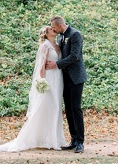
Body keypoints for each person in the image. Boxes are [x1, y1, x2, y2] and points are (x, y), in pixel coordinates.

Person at [0, 26, 65, 153]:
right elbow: (41, 66)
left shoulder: (58, 43)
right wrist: (42, 81)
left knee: (56, 106)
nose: (53, 29)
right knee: (46, 107)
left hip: (58, 79)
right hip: (49, 79)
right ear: (46, 33)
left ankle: (55, 139)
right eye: (50, 29)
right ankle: (43, 139)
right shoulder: (45, 46)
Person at [46, 15, 87, 153]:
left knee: (75, 108)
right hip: (65, 78)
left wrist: (56, 65)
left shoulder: (75, 35)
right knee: (68, 109)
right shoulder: (60, 37)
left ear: (60, 26)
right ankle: (73, 139)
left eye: (54, 27)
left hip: (76, 77)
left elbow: (74, 56)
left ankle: (80, 142)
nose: (53, 29)